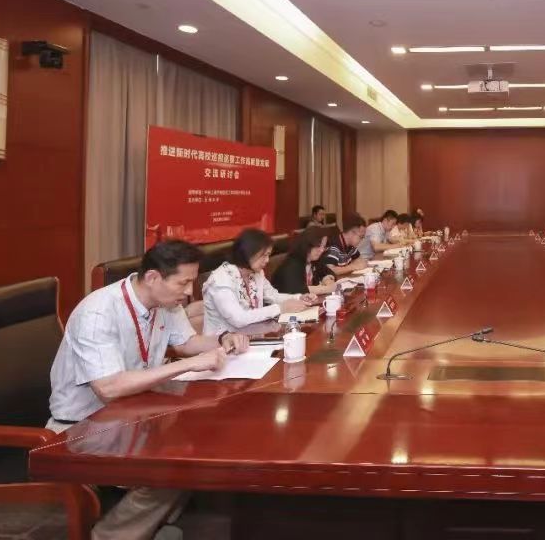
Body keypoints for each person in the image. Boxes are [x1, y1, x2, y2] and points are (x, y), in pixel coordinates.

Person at [48, 240, 252, 540]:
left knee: (202, 448)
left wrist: (223, 339)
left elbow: (186, 342)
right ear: (154, 277)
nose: (189, 292)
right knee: (173, 470)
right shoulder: (98, 313)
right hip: (82, 428)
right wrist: (188, 365)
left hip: (132, 416)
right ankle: (109, 536)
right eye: (183, 283)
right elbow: (109, 388)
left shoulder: (165, 303)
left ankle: (151, 525)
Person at [202, 229, 317, 335]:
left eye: (268, 255)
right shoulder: (220, 280)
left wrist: (299, 298)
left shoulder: (256, 273)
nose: (267, 260)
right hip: (222, 346)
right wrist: (280, 308)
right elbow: (239, 319)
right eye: (264, 255)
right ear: (248, 253)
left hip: (255, 338)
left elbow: (273, 296)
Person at [272, 231, 337, 296]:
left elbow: (328, 272)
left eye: (324, 246)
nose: (321, 250)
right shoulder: (292, 264)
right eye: (318, 246)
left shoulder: (314, 260)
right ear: (307, 245)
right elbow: (296, 290)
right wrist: (326, 289)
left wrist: (327, 279)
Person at [318, 213, 369, 278]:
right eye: (361, 237)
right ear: (352, 233)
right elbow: (330, 270)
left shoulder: (351, 245)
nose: (362, 240)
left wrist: (356, 265)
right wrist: (353, 267)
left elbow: (359, 260)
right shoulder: (333, 246)